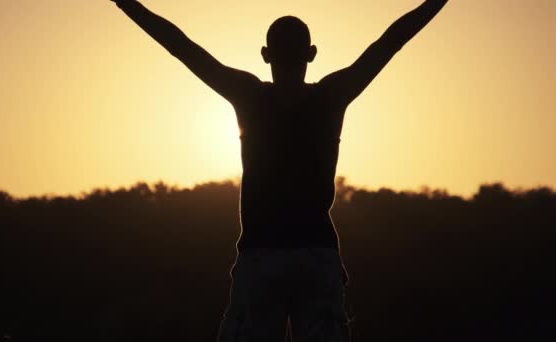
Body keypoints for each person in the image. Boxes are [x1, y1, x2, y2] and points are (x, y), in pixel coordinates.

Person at [110, 1, 449, 340]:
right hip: (317, 256)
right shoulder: (332, 95)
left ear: (265, 54)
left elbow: (181, 47)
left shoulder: (248, 94)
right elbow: (390, 41)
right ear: (312, 54)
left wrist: (126, 4)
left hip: (261, 256)